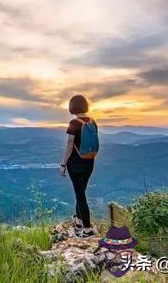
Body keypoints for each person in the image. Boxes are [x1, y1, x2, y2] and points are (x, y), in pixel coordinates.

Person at [59, 94, 98, 237]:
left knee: (80, 195)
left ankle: (87, 229)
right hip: (89, 162)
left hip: (75, 165)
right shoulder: (92, 122)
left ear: (72, 107)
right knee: (81, 192)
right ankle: (79, 220)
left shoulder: (74, 123)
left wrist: (63, 164)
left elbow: (70, 145)